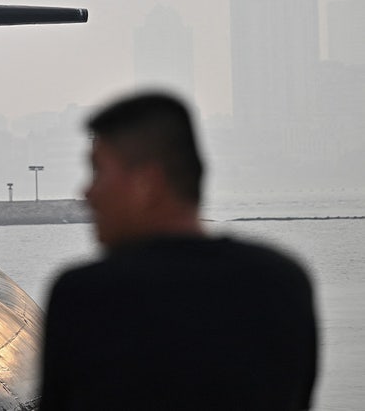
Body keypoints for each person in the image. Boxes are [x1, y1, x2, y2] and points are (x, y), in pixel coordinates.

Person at [40, 92, 317, 410]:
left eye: (99, 171)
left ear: (148, 184)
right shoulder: (283, 282)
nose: (87, 193)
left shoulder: (85, 295)